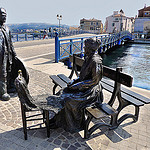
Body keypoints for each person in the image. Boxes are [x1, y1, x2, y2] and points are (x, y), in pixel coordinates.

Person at [49, 38, 104, 133]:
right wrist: (74, 82)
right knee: (63, 92)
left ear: (89, 49)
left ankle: (75, 125)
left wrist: (78, 85)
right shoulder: (88, 58)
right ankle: (59, 121)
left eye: (85, 47)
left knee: (69, 101)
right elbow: (83, 76)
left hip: (91, 91)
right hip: (84, 87)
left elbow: (94, 81)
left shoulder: (95, 61)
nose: (83, 48)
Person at [0, 7, 17, 100]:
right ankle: (3, 91)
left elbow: (10, 42)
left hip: (8, 54)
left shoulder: (7, 28)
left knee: (9, 70)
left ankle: (9, 87)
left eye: (5, 15)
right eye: (2, 15)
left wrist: (14, 54)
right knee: (2, 73)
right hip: (0, 55)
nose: (4, 17)